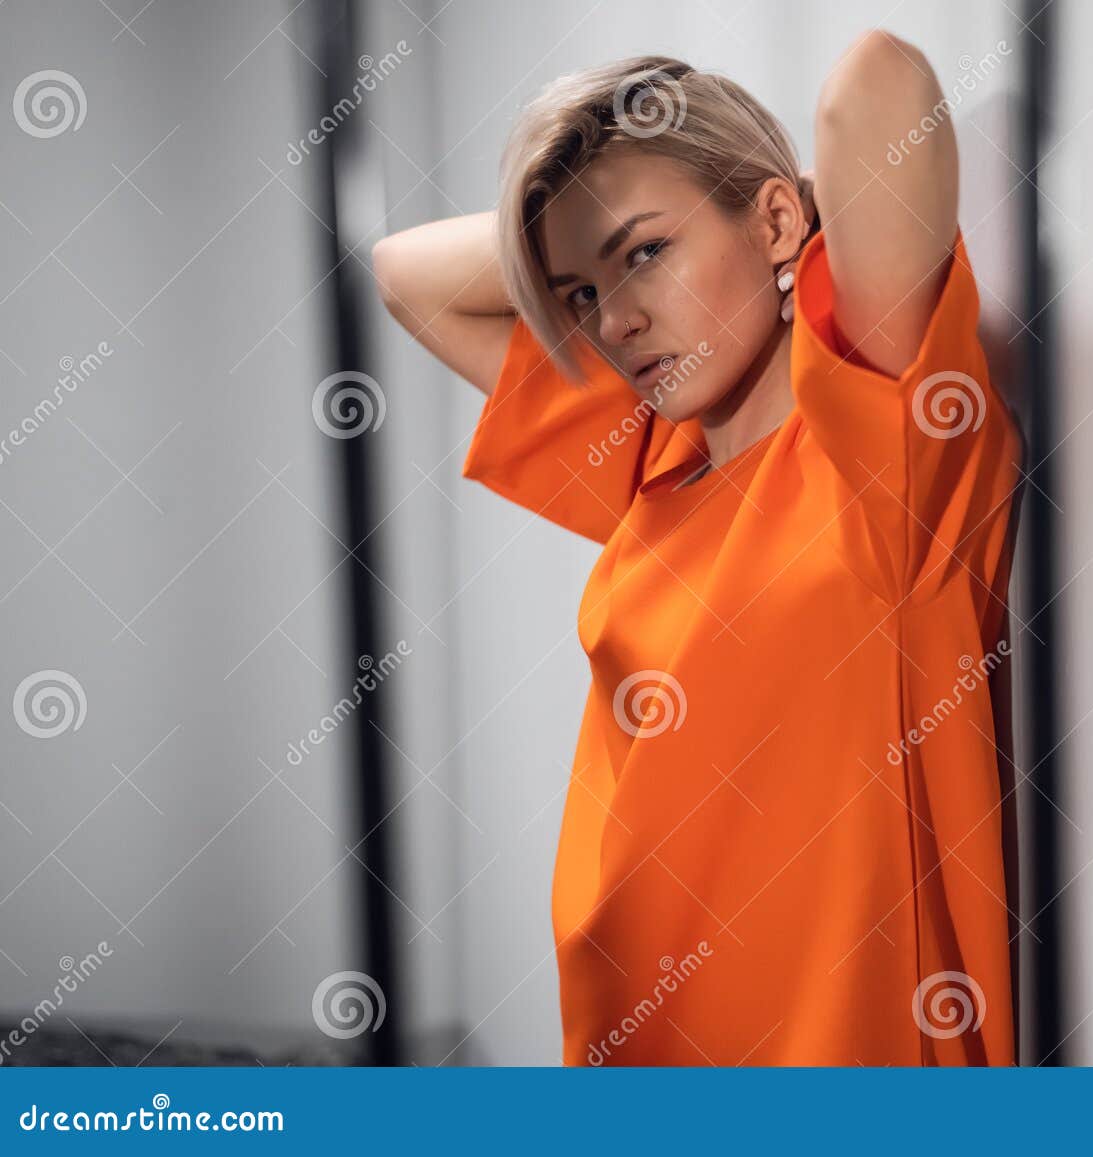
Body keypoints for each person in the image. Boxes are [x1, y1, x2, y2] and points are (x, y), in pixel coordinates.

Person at [373, 29, 1023, 1066]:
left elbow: (880, 81)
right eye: (581, 292)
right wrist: (589, 226)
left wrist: (793, 200)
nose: (616, 320)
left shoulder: (880, 449)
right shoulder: (651, 462)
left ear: (775, 217)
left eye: (644, 253)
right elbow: (401, 272)